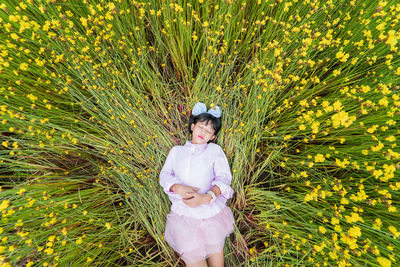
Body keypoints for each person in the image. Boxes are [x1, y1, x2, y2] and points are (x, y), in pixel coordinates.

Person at [159, 102, 235, 267]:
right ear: (192, 126)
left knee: (217, 261)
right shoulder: (176, 152)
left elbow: (224, 178)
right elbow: (164, 175)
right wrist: (177, 187)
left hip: (211, 214)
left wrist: (207, 197)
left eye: (209, 131)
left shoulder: (214, 151)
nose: (204, 132)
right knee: (195, 262)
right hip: (183, 217)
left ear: (213, 137)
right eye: (201, 127)